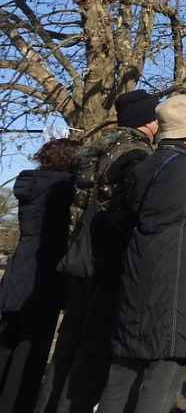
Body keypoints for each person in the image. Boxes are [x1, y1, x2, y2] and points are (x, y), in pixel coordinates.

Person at [96, 94, 186, 413]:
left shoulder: (141, 166)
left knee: (120, 378)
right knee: (164, 379)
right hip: (177, 285)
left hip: (136, 276)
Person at [35, 90, 160, 413]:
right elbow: (135, 209)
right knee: (93, 347)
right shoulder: (136, 154)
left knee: (67, 345)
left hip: (78, 255)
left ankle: (47, 405)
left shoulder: (95, 151)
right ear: (148, 121)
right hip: (108, 260)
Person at [0, 138, 79, 413]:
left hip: (20, 264)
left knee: (7, 342)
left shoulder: (27, 183)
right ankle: (19, 404)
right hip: (45, 272)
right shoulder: (64, 188)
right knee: (32, 352)